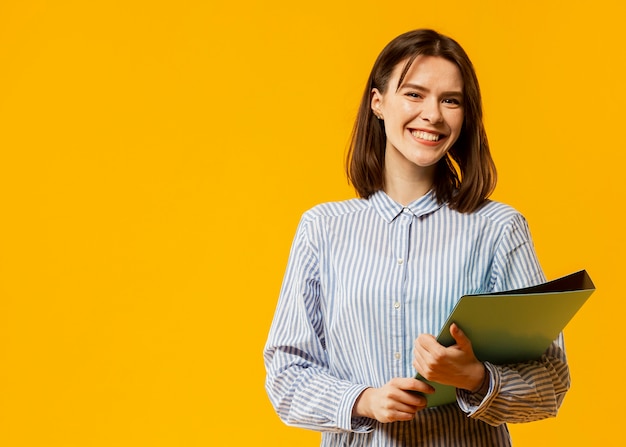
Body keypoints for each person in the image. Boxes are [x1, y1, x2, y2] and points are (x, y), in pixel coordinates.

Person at [263, 29, 569, 446]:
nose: (433, 115)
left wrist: (475, 378)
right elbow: (285, 376)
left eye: (451, 100)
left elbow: (550, 382)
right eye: (414, 94)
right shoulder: (322, 229)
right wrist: (364, 400)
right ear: (378, 102)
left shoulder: (498, 229)